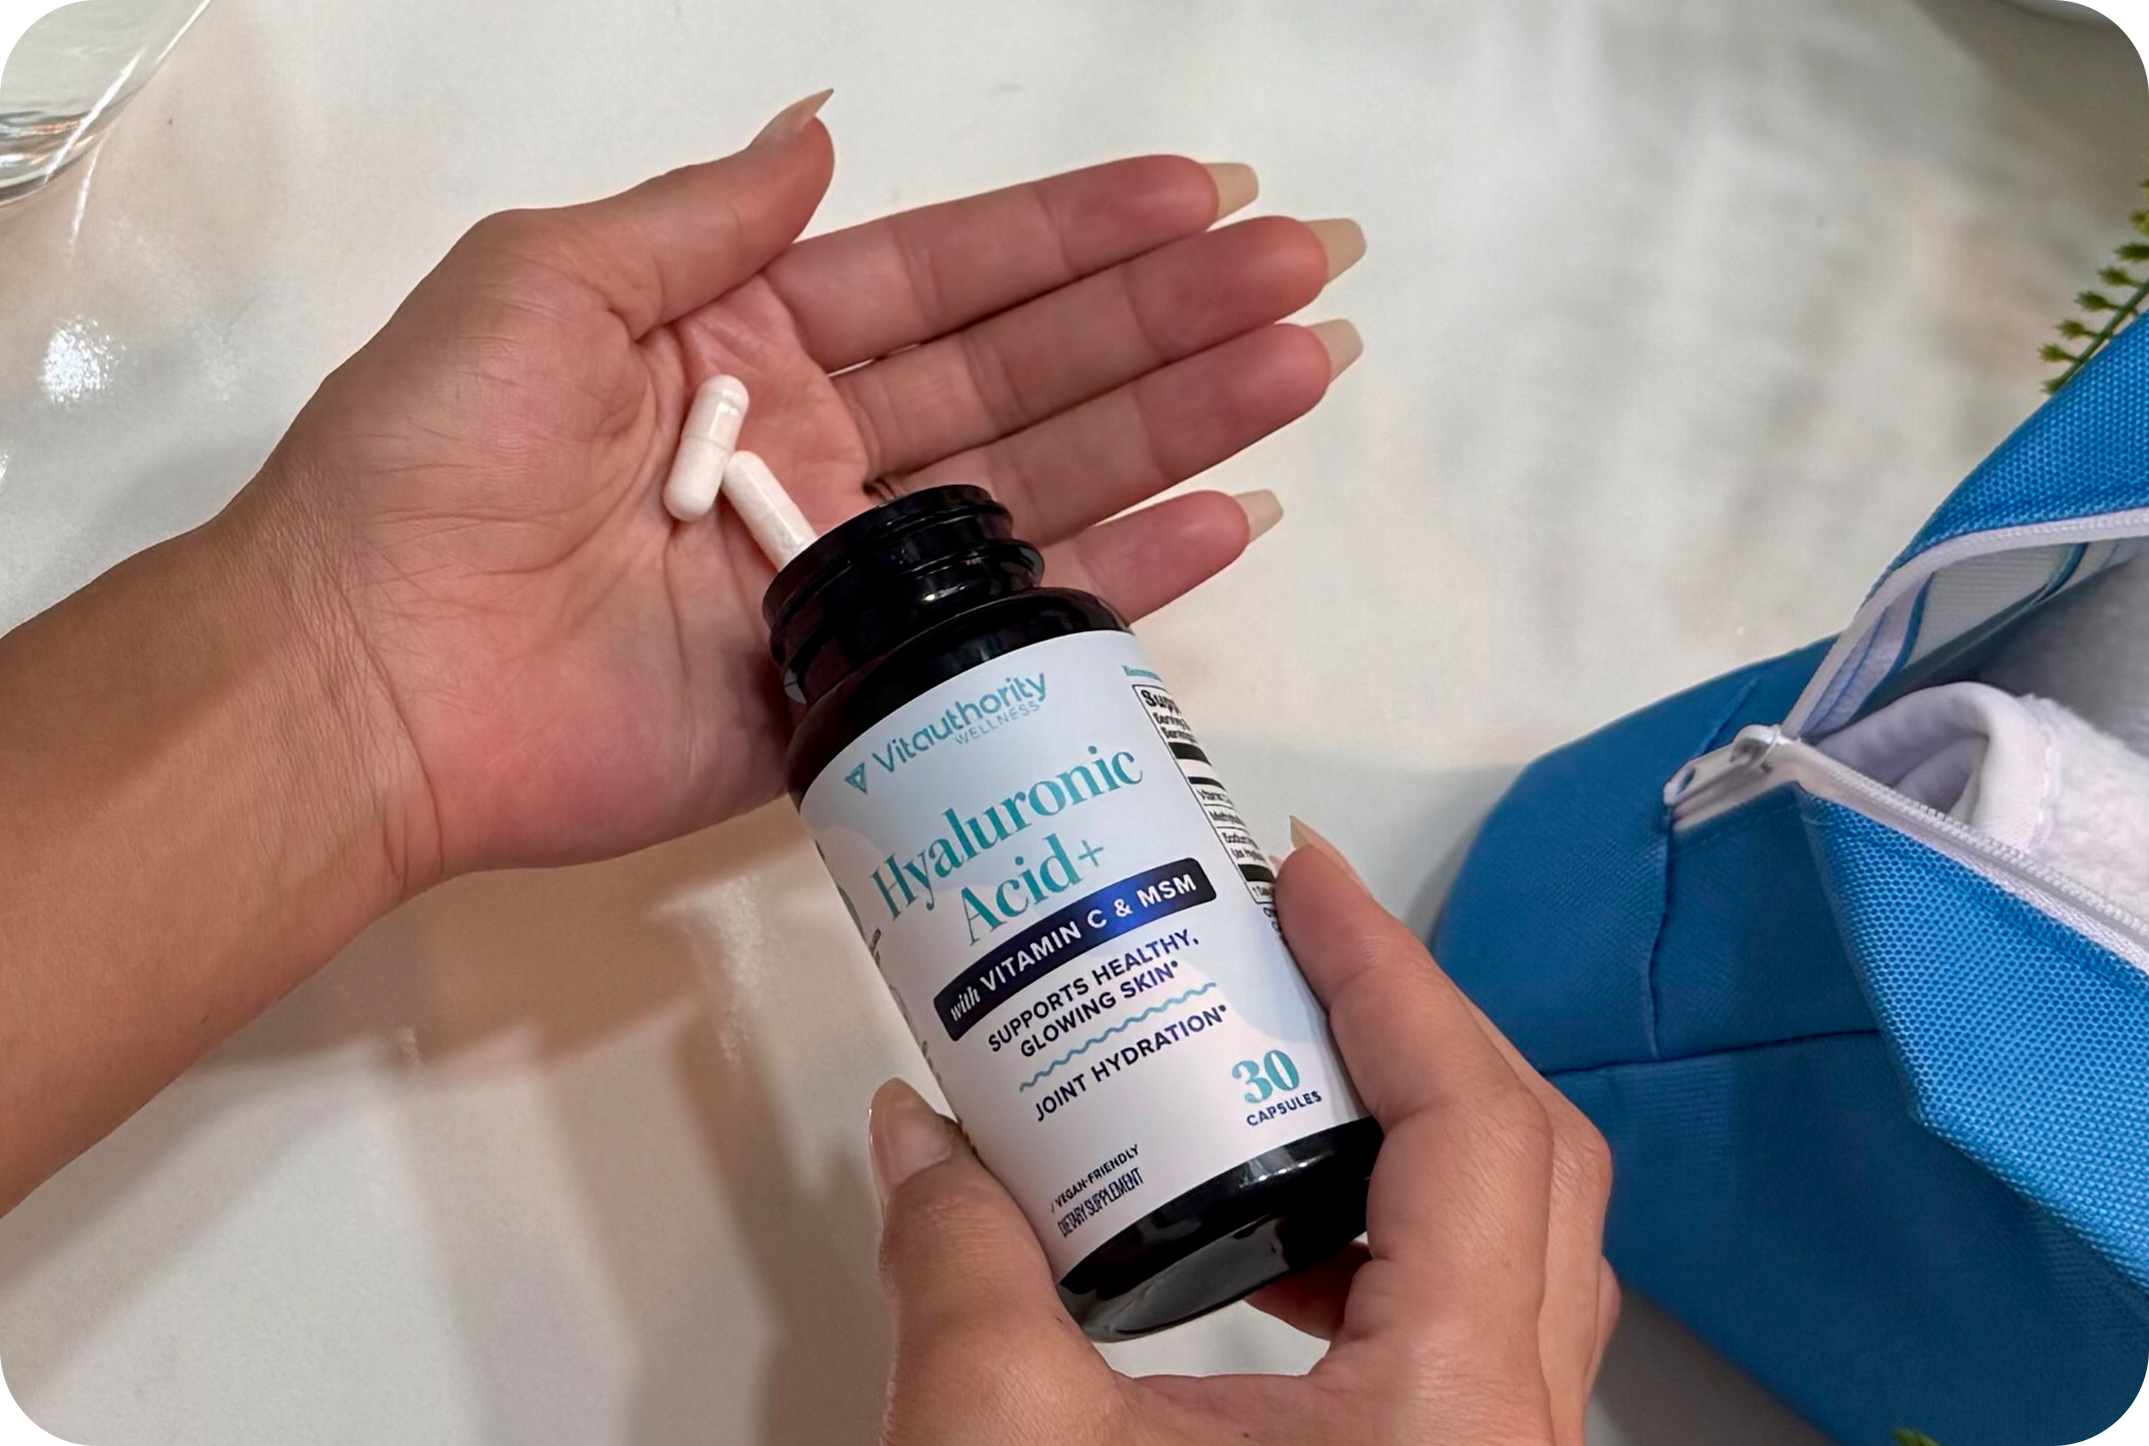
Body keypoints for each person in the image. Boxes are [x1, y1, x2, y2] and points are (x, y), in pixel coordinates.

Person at [0, 94, 1615, 1442]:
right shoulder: (859, 731)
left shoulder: (1034, 663)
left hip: (1246, 1128)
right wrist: (338, 663)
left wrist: (338, 680)